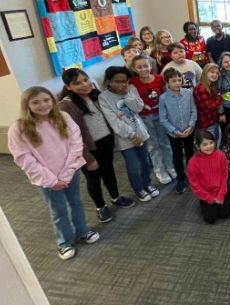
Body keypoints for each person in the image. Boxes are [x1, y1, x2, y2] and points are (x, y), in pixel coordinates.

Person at [8, 87, 100, 260]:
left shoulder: (63, 117)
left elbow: (76, 144)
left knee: (76, 202)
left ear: (52, 100)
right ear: (27, 105)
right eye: (36, 102)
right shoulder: (18, 129)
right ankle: (64, 242)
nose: (43, 105)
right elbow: (24, 159)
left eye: (46, 100)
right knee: (58, 209)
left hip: (69, 171)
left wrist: (66, 174)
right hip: (46, 179)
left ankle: (83, 231)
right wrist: (50, 180)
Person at [59, 69, 135, 223]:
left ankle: (115, 197)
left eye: (85, 80)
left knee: (109, 171)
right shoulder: (66, 106)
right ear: (68, 87)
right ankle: (100, 206)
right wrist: (87, 157)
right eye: (77, 83)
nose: (84, 84)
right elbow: (70, 137)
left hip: (105, 142)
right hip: (87, 149)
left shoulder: (96, 95)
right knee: (93, 178)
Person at [99, 66, 158, 202]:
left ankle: (147, 184)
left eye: (123, 81)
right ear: (108, 81)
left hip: (141, 132)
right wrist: (132, 136)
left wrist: (126, 94)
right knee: (133, 166)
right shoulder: (104, 97)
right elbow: (114, 121)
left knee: (145, 162)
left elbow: (138, 107)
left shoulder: (131, 89)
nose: (120, 84)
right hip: (126, 138)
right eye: (116, 81)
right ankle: (138, 189)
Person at [130, 55, 175, 185]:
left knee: (164, 142)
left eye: (145, 66)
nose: (143, 69)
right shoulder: (133, 82)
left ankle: (170, 166)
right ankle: (160, 170)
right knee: (153, 145)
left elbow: (167, 94)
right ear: (134, 68)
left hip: (161, 115)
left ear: (151, 66)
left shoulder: (160, 79)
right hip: (145, 117)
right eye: (139, 67)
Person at [159, 68, 197, 195]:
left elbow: (193, 110)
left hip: (189, 130)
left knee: (191, 152)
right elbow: (163, 119)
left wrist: (190, 125)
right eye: (173, 81)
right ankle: (181, 178)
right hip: (174, 133)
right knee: (177, 156)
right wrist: (175, 131)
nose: (177, 83)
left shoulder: (188, 93)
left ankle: (192, 174)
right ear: (167, 82)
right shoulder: (163, 98)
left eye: (179, 80)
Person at [187, 130, 230, 224]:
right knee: (210, 219)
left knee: (225, 214)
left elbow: (224, 176)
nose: (209, 146)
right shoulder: (193, 163)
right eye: (205, 144)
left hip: (220, 191)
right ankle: (205, 203)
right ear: (198, 146)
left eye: (211, 143)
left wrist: (221, 194)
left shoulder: (220, 156)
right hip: (205, 194)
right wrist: (208, 198)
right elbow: (195, 185)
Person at [193, 63, 224, 144]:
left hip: (213, 121)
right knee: (209, 146)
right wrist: (220, 99)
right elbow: (208, 108)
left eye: (217, 73)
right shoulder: (201, 88)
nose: (215, 75)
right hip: (205, 125)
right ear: (206, 72)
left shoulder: (211, 86)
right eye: (212, 72)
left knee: (216, 143)